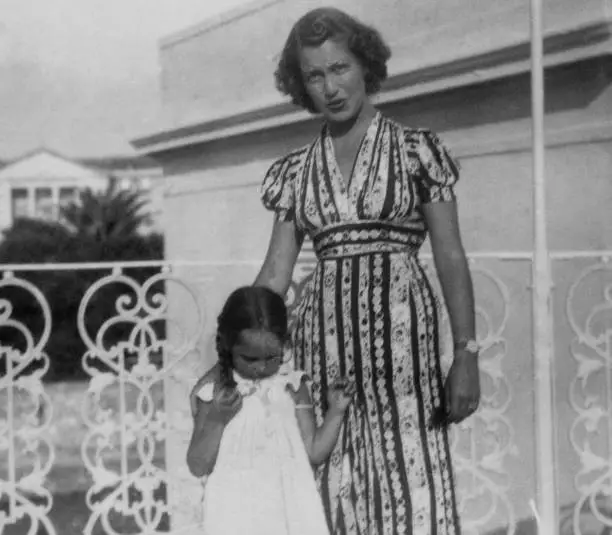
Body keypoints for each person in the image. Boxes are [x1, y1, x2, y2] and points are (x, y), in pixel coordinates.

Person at [255, 7, 480, 534]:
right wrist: (233, 353)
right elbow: (274, 274)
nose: (330, 86)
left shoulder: (415, 150)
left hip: (404, 354)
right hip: (321, 350)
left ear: (365, 67)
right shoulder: (294, 172)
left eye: (340, 68)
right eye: (315, 75)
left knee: (412, 482)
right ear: (301, 84)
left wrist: (467, 352)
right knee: (332, 491)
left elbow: (450, 254)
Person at [186, 285, 356, 535]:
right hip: (235, 512)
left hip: (289, 511)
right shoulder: (216, 394)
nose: (260, 367)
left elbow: (313, 451)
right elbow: (197, 464)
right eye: (249, 358)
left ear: (284, 345)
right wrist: (217, 420)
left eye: (271, 357)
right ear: (227, 346)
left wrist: (336, 411)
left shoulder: (293, 386)